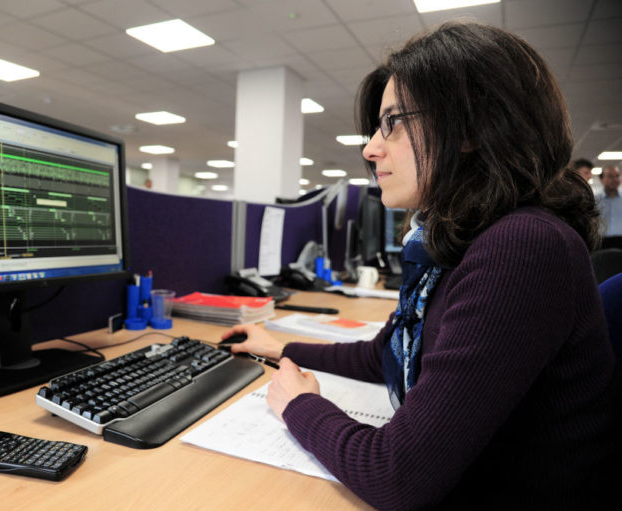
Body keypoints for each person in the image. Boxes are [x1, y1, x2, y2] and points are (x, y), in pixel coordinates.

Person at [222, 21, 620, 511]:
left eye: (393, 122)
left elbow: (398, 475)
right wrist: (280, 345)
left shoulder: (523, 246)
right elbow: (384, 355)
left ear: (471, 128)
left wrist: (298, 406)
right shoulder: (451, 244)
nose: (370, 148)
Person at [597, 164, 622, 248]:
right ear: (602, 179)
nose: (615, 179)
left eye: (617, 176)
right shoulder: (594, 200)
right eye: (610, 176)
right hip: (601, 243)